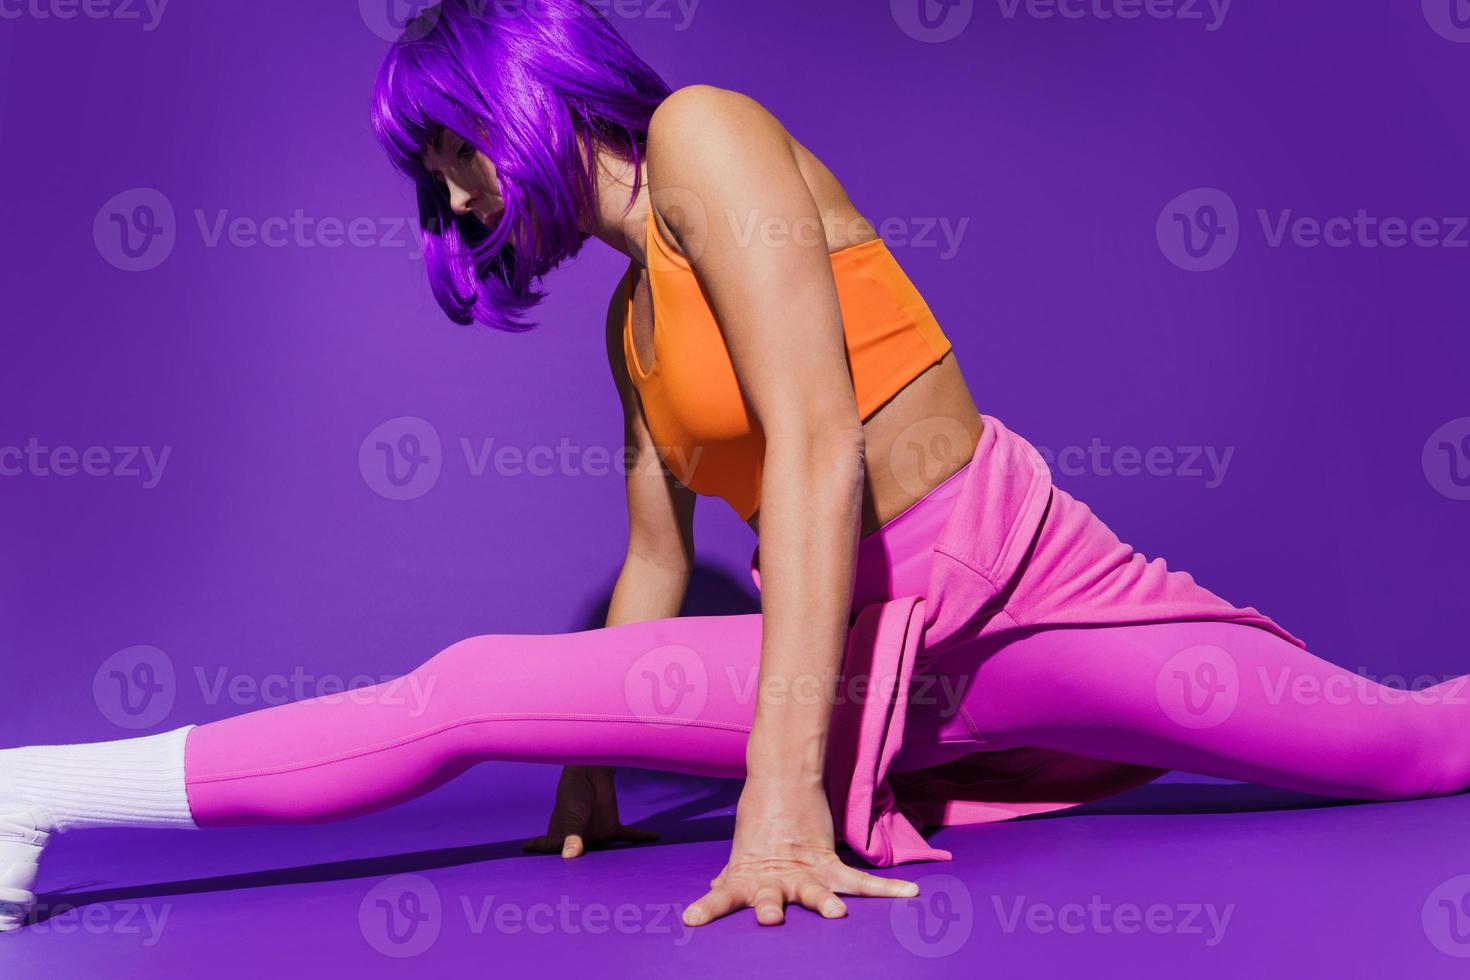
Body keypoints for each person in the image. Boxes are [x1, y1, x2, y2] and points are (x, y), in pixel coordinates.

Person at [4, 0, 1467, 934]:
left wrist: (778, 799)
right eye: (427, 171)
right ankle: (37, 796)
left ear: (533, 90)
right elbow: (652, 565)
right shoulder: (630, 329)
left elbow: (821, 447)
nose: (447, 192)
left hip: (1033, 597)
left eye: (452, 147)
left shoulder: (704, 138)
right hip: (865, 653)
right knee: (469, 691)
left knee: (1406, 750)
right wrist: (588, 773)